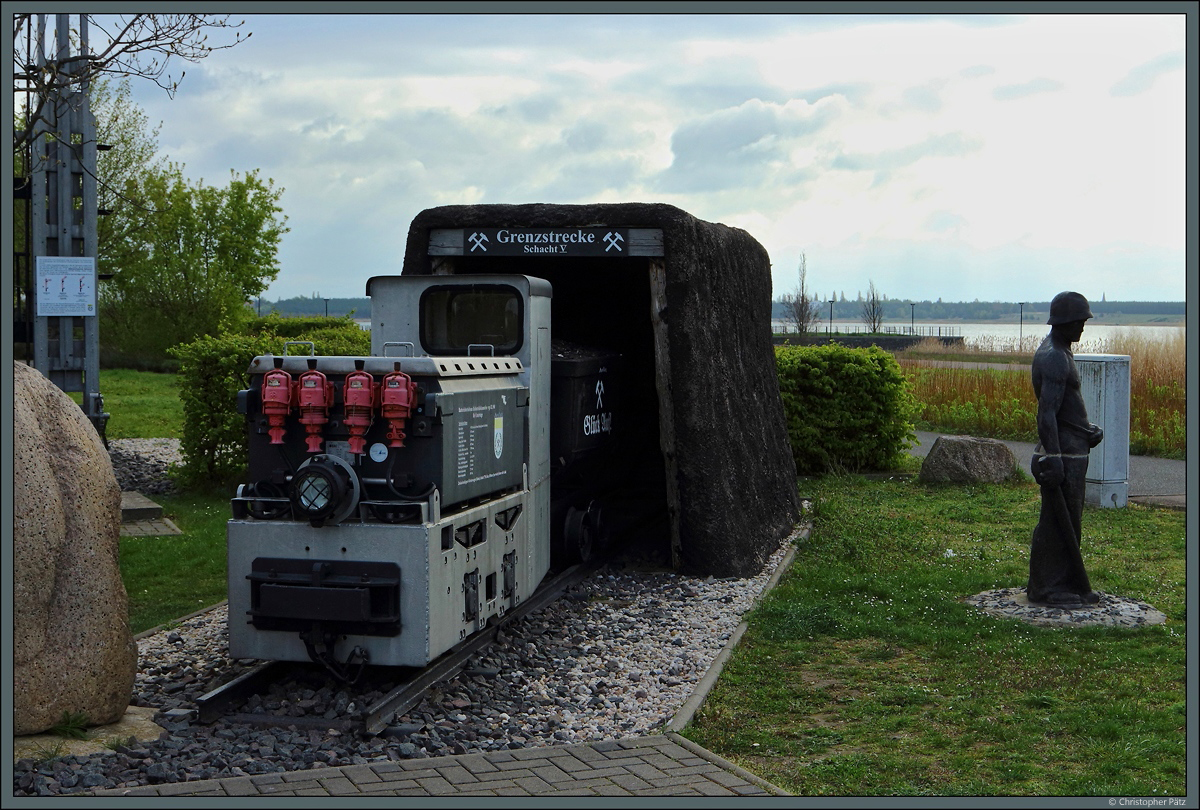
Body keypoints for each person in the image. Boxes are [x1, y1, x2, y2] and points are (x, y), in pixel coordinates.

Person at [1027, 291, 1104, 608]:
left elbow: (1065, 411)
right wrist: (1055, 459)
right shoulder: (1055, 357)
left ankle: (1069, 582)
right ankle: (1046, 587)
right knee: (1056, 522)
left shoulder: (1062, 351)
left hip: (1073, 448)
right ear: (1065, 322)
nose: (1083, 328)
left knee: (1069, 520)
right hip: (1064, 455)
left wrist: (1087, 431)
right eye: (1079, 322)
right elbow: (1046, 414)